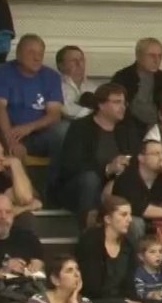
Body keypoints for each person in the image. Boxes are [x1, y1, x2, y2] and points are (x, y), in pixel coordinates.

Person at [58, 83, 141, 224]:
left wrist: (114, 180)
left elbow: (135, 160)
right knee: (90, 178)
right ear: (101, 105)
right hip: (81, 187)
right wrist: (108, 169)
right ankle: (89, 229)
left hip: (116, 187)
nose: (123, 107)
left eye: (124, 102)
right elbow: (72, 165)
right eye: (116, 102)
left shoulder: (127, 129)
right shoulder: (80, 128)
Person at [0, 35, 67, 179]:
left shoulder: (51, 76)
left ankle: (56, 186)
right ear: (18, 53)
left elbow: (54, 114)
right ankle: (24, 192)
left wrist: (28, 128)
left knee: (64, 130)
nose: (37, 58)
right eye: (31, 52)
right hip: (6, 131)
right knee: (7, 148)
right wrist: (11, 141)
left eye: (40, 54)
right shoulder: (2, 72)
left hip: (38, 134)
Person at [74, 196, 142, 303]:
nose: (130, 220)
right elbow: (92, 286)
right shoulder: (90, 241)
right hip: (91, 301)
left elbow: (129, 285)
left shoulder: (128, 246)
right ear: (107, 219)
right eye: (124, 215)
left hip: (120, 300)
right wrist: (125, 301)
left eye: (130, 215)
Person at [110, 139, 162, 244]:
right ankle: (139, 258)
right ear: (141, 158)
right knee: (136, 223)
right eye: (156, 154)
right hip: (130, 220)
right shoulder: (127, 178)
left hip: (156, 222)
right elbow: (141, 209)